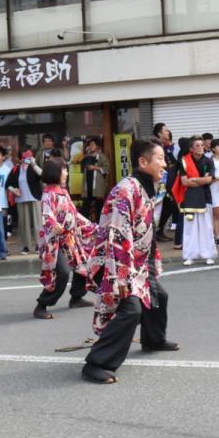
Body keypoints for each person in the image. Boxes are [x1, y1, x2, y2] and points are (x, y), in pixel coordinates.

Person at [82, 138, 178, 384]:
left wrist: (152, 262)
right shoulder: (126, 190)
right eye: (160, 159)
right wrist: (122, 277)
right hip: (117, 263)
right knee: (130, 310)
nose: (164, 165)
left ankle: (153, 340)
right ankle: (96, 363)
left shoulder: (145, 187)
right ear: (143, 162)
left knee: (159, 296)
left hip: (139, 262)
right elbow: (117, 235)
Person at [35, 159, 97, 319]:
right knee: (62, 272)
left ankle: (76, 297)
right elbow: (47, 215)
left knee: (83, 265)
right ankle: (42, 305)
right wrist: (53, 224)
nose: (66, 173)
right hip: (54, 241)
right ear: (55, 172)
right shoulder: (48, 193)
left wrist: (93, 227)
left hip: (69, 238)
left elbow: (74, 214)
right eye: (64, 169)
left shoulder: (62, 191)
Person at [173, 136, 217, 266]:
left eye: (202, 145)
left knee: (206, 227)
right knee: (190, 228)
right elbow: (184, 182)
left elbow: (209, 180)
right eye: (197, 145)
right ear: (191, 149)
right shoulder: (184, 161)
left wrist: (193, 180)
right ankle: (189, 255)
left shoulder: (208, 161)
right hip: (189, 198)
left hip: (205, 197)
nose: (201, 147)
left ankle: (208, 255)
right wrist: (200, 180)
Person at [8, 149, 44, 255]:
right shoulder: (16, 169)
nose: (27, 159)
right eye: (25, 157)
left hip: (34, 198)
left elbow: (43, 175)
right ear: (21, 158)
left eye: (29, 157)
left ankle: (39, 245)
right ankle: (26, 246)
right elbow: (8, 184)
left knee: (37, 223)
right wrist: (13, 190)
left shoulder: (33, 168)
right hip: (21, 199)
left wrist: (34, 164)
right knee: (24, 224)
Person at [154, 124, 180, 242]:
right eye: (165, 130)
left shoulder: (169, 147)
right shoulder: (155, 146)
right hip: (160, 182)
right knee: (158, 206)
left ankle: (159, 230)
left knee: (170, 205)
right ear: (159, 133)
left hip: (170, 182)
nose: (168, 132)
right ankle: (154, 232)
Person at [79, 137, 110, 223]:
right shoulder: (86, 156)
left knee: (99, 206)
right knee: (85, 207)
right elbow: (81, 170)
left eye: (93, 144)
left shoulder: (102, 156)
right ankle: (84, 223)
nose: (91, 146)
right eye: (90, 145)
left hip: (97, 186)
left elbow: (107, 169)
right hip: (87, 185)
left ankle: (99, 224)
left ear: (98, 146)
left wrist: (95, 167)